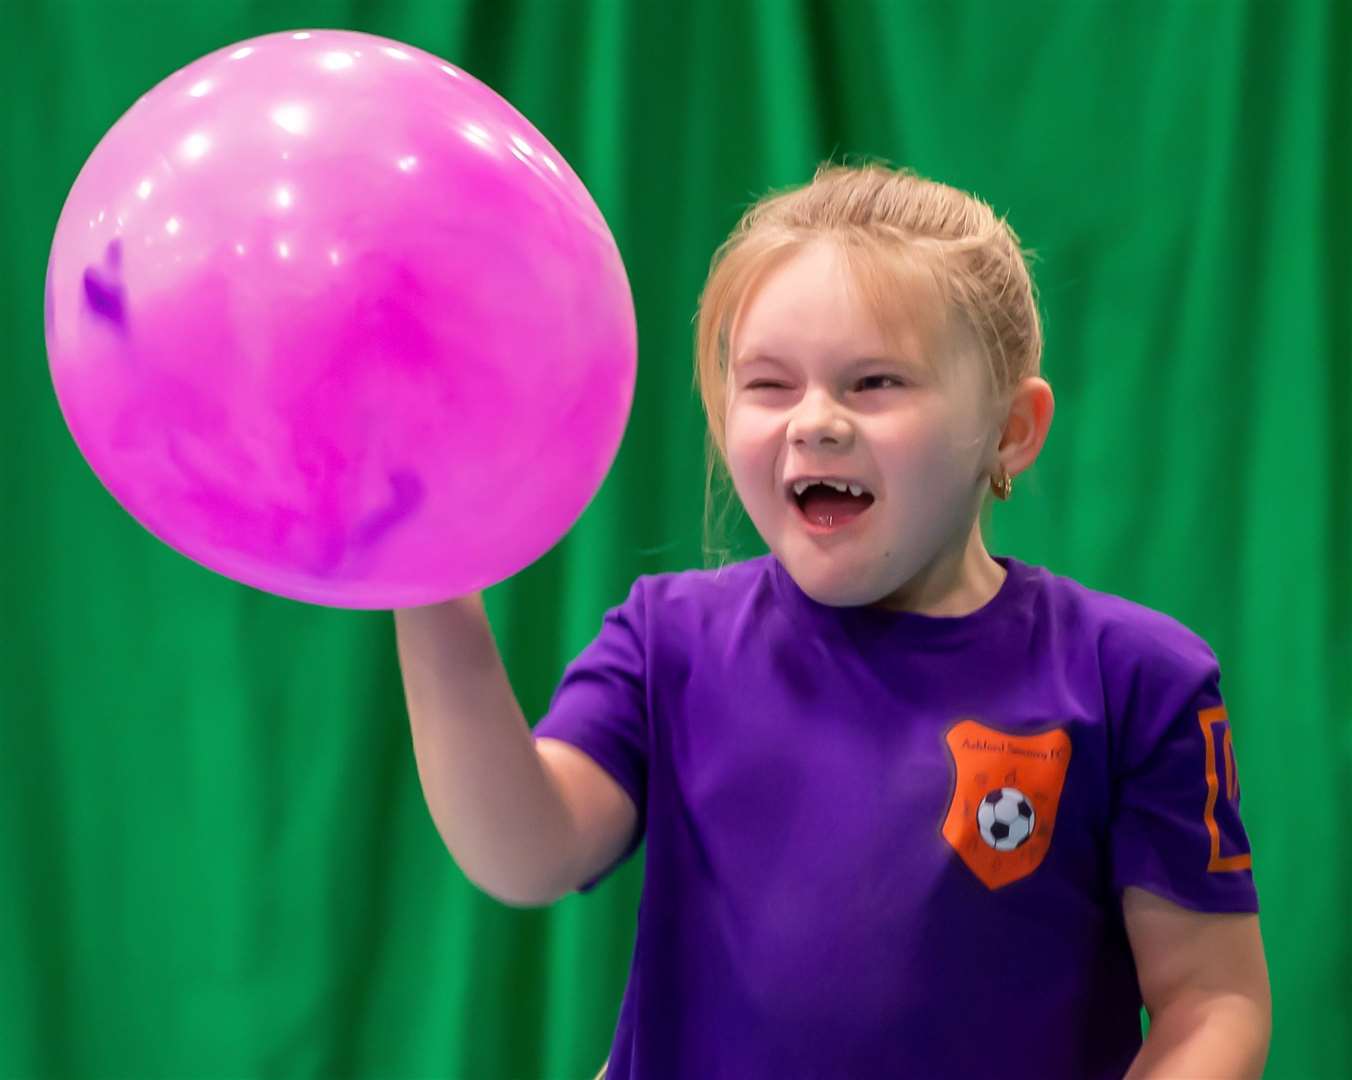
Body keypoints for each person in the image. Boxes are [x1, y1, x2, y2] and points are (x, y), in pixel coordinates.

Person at [395, 161, 1271, 1080]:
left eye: (875, 382)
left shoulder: (1132, 676)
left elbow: (1212, 1001)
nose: (815, 421)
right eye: (769, 384)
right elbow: (525, 852)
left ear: (1012, 428)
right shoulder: (668, 641)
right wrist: (428, 585)